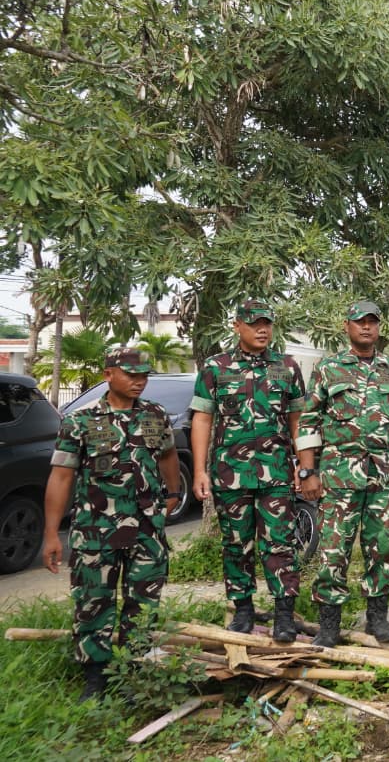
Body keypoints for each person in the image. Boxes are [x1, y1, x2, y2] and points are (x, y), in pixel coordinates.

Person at [42, 345, 182, 700]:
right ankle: (96, 677)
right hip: (96, 530)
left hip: (147, 530)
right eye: (131, 374)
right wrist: (51, 534)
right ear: (109, 374)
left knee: (144, 602)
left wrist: (173, 493)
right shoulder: (81, 420)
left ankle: (134, 670)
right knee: (93, 601)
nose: (139, 381)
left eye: (144, 375)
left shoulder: (155, 414)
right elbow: (61, 478)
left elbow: (167, 454)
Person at [296, 301, 389, 646]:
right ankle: (329, 624)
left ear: (379, 327)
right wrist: (308, 471)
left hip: (384, 476)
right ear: (347, 326)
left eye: (372, 322)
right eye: (359, 322)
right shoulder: (328, 368)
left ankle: (377, 617)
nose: (366, 327)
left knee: (383, 546)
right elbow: (309, 421)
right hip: (338, 475)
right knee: (334, 550)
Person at [191, 299, 306, 642]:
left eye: (267, 323)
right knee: (236, 543)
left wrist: (305, 465)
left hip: (277, 473)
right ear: (237, 326)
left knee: (280, 543)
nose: (262, 329)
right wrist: (199, 470)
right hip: (231, 473)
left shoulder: (287, 367)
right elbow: (202, 418)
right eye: (254, 323)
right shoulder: (216, 367)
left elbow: (297, 420)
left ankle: (284, 614)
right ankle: (242, 609)